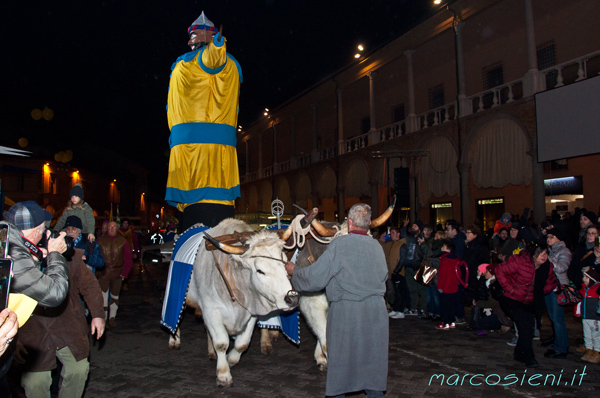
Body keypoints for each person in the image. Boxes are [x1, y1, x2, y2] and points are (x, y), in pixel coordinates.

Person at [285, 203, 388, 398]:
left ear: (349, 223)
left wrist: (294, 272)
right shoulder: (377, 247)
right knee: (372, 361)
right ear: (368, 225)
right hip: (376, 314)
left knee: (341, 363)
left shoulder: (339, 245)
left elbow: (315, 278)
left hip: (346, 313)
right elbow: (383, 276)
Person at [166, 11, 243, 231]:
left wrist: (217, 45)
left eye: (195, 35)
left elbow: (214, 61)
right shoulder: (187, 62)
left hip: (204, 157)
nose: (190, 39)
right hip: (189, 157)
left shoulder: (208, 60)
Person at [16, 234, 105, 397]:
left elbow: (89, 285)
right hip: (34, 331)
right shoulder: (16, 262)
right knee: (36, 382)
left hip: (67, 324)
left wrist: (98, 315)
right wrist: (12, 339)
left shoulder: (71, 258)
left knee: (78, 370)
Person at [495, 245, 557, 368]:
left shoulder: (547, 267)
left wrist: (540, 292)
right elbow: (500, 270)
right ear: (534, 253)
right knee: (524, 325)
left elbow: (551, 282)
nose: (543, 257)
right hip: (513, 299)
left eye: (545, 254)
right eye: (541, 253)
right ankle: (529, 357)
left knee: (528, 327)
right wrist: (510, 289)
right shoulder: (520, 261)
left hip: (531, 301)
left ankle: (519, 353)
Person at [96, 221, 133, 327]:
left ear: (117, 228)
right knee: (103, 297)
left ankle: (112, 318)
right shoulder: (100, 241)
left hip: (117, 273)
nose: (112, 229)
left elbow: (128, 259)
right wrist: (97, 271)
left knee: (115, 297)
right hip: (103, 272)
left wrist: (125, 273)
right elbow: (95, 256)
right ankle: (104, 319)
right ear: (107, 228)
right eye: (110, 227)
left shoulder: (123, 241)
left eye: (114, 227)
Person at [543, 227, 572, 358]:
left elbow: (561, 268)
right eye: (548, 237)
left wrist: (548, 259)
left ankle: (562, 348)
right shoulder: (551, 250)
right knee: (553, 317)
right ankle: (558, 344)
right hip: (550, 287)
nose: (549, 239)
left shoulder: (564, 251)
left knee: (557, 318)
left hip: (558, 287)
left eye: (551, 237)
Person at [575, 267, 600, 363]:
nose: (583, 279)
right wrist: (578, 312)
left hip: (595, 318)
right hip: (585, 317)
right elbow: (579, 302)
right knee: (587, 335)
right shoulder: (584, 289)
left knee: (596, 335)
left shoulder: (597, 290)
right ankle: (589, 350)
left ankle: (596, 352)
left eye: (586, 277)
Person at [436, 241, 462, 330]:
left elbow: (442, 275)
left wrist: (440, 286)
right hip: (453, 286)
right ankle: (451, 321)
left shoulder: (444, 259)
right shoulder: (456, 260)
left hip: (445, 287)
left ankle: (445, 322)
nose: (441, 248)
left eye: (443, 247)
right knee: (452, 305)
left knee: (444, 305)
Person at [385, 227, 407, 319]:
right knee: (395, 292)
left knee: (400, 292)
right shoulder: (391, 244)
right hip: (392, 272)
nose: (391, 235)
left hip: (398, 273)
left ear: (398, 234)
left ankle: (400, 310)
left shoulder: (402, 245)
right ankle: (396, 309)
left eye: (393, 233)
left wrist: (396, 271)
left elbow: (402, 260)